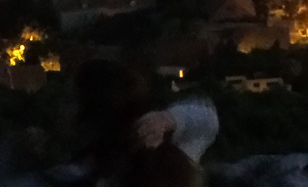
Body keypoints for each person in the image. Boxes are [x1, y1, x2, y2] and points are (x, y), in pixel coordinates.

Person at [57, 59, 218, 187]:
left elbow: (207, 119)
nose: (60, 107)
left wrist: (167, 120)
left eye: (69, 100)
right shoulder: (167, 157)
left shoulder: (155, 153)